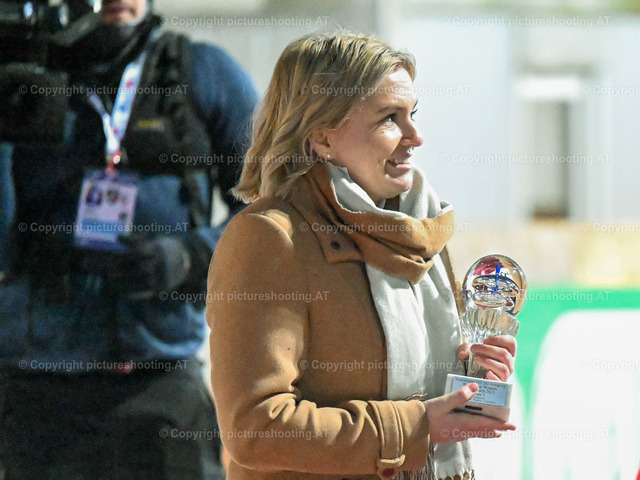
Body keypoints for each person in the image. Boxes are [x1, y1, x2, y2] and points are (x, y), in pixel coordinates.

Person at [206, 32, 517, 480]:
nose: (416, 137)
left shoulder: (421, 228)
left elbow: (415, 390)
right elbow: (255, 427)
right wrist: (417, 427)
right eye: (390, 118)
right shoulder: (269, 238)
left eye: (412, 114)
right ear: (321, 135)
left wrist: (473, 376)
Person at [0, 0, 258, 478]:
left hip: (160, 380)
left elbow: (279, 207)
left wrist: (189, 256)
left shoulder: (199, 71)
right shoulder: (20, 77)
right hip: (39, 388)